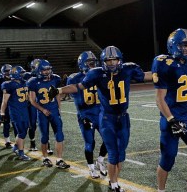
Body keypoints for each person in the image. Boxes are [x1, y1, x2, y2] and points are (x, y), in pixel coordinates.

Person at [48, 46, 152, 191]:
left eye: (114, 60)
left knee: (121, 153)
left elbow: (148, 76)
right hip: (106, 118)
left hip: (123, 117)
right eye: (108, 61)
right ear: (104, 62)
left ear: (120, 60)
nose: (112, 64)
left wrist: (167, 74)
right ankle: (113, 182)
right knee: (113, 152)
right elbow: (78, 87)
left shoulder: (128, 69)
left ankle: (111, 176)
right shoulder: (96, 74)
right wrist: (59, 90)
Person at [151, 28, 187, 192]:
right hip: (170, 118)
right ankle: (160, 190)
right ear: (174, 46)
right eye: (184, 46)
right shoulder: (164, 63)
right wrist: (171, 120)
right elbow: (159, 99)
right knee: (167, 159)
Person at [67, 51, 108, 178]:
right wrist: (83, 116)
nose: (92, 65)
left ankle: (100, 160)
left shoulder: (99, 74)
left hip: (100, 113)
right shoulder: (74, 78)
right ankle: (91, 167)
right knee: (90, 142)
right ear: (82, 64)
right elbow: (77, 100)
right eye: (89, 63)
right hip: (86, 115)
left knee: (108, 139)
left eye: (94, 62)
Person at [28, 59, 70, 169]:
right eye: (44, 70)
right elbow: (32, 100)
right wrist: (42, 109)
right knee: (44, 136)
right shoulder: (33, 82)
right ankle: (45, 158)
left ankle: (59, 159)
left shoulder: (55, 78)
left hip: (54, 110)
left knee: (59, 135)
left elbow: (57, 94)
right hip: (42, 112)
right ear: (38, 70)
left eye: (48, 69)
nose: (47, 72)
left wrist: (59, 108)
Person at [1, 66, 30, 161]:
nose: (23, 74)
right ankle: (21, 153)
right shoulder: (8, 84)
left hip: (24, 110)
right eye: (21, 73)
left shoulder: (24, 82)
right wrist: (2, 112)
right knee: (21, 132)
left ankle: (15, 147)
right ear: (16, 74)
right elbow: (5, 101)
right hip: (16, 111)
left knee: (24, 131)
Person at [0, 64, 17, 148]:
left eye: (9, 70)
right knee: (6, 123)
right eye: (6, 71)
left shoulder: (15, 79)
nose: (8, 72)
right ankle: (7, 141)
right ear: (2, 72)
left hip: (14, 105)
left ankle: (18, 141)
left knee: (15, 124)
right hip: (4, 105)